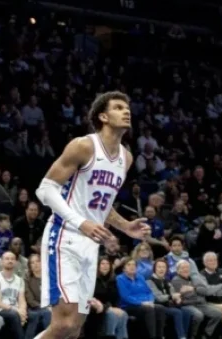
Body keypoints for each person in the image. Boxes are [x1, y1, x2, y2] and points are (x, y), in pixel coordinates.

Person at [33, 91, 151, 339]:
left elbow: (101, 204)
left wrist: (125, 226)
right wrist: (80, 222)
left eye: (127, 107)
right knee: (63, 324)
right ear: (103, 117)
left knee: (75, 328)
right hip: (64, 236)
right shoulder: (83, 146)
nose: (126, 111)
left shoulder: (126, 158)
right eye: (118, 107)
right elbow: (45, 190)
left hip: (90, 243)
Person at [0, 251, 27, 339]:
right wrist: (17, 311)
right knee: (14, 315)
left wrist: (23, 311)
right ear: (1, 262)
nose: (10, 261)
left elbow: (22, 299)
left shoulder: (20, 280)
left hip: (16, 310)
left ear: (16, 262)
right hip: (0, 310)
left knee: (35, 315)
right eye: (7, 259)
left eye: (12, 259)